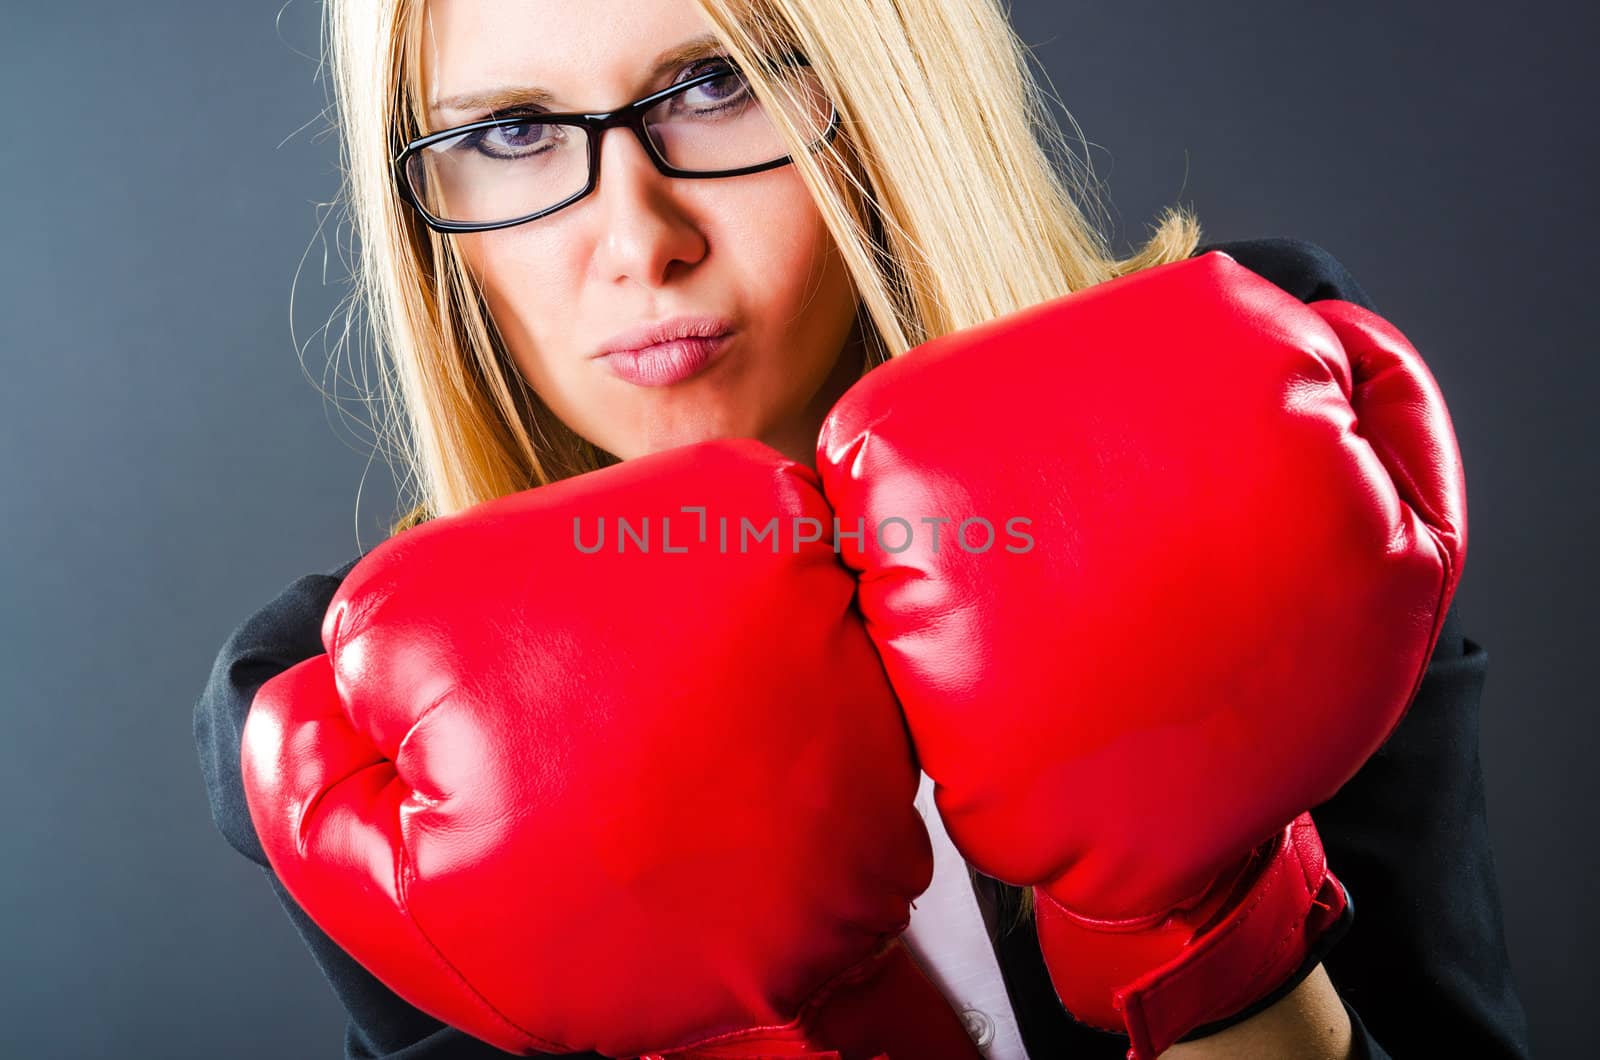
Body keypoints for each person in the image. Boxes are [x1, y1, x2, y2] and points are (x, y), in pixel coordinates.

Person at [192, 0, 1534, 1056]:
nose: (636, 235)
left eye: (721, 83)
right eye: (509, 133)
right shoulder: (357, 727)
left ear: (888, 87)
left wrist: (1203, 930)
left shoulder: (1245, 416)